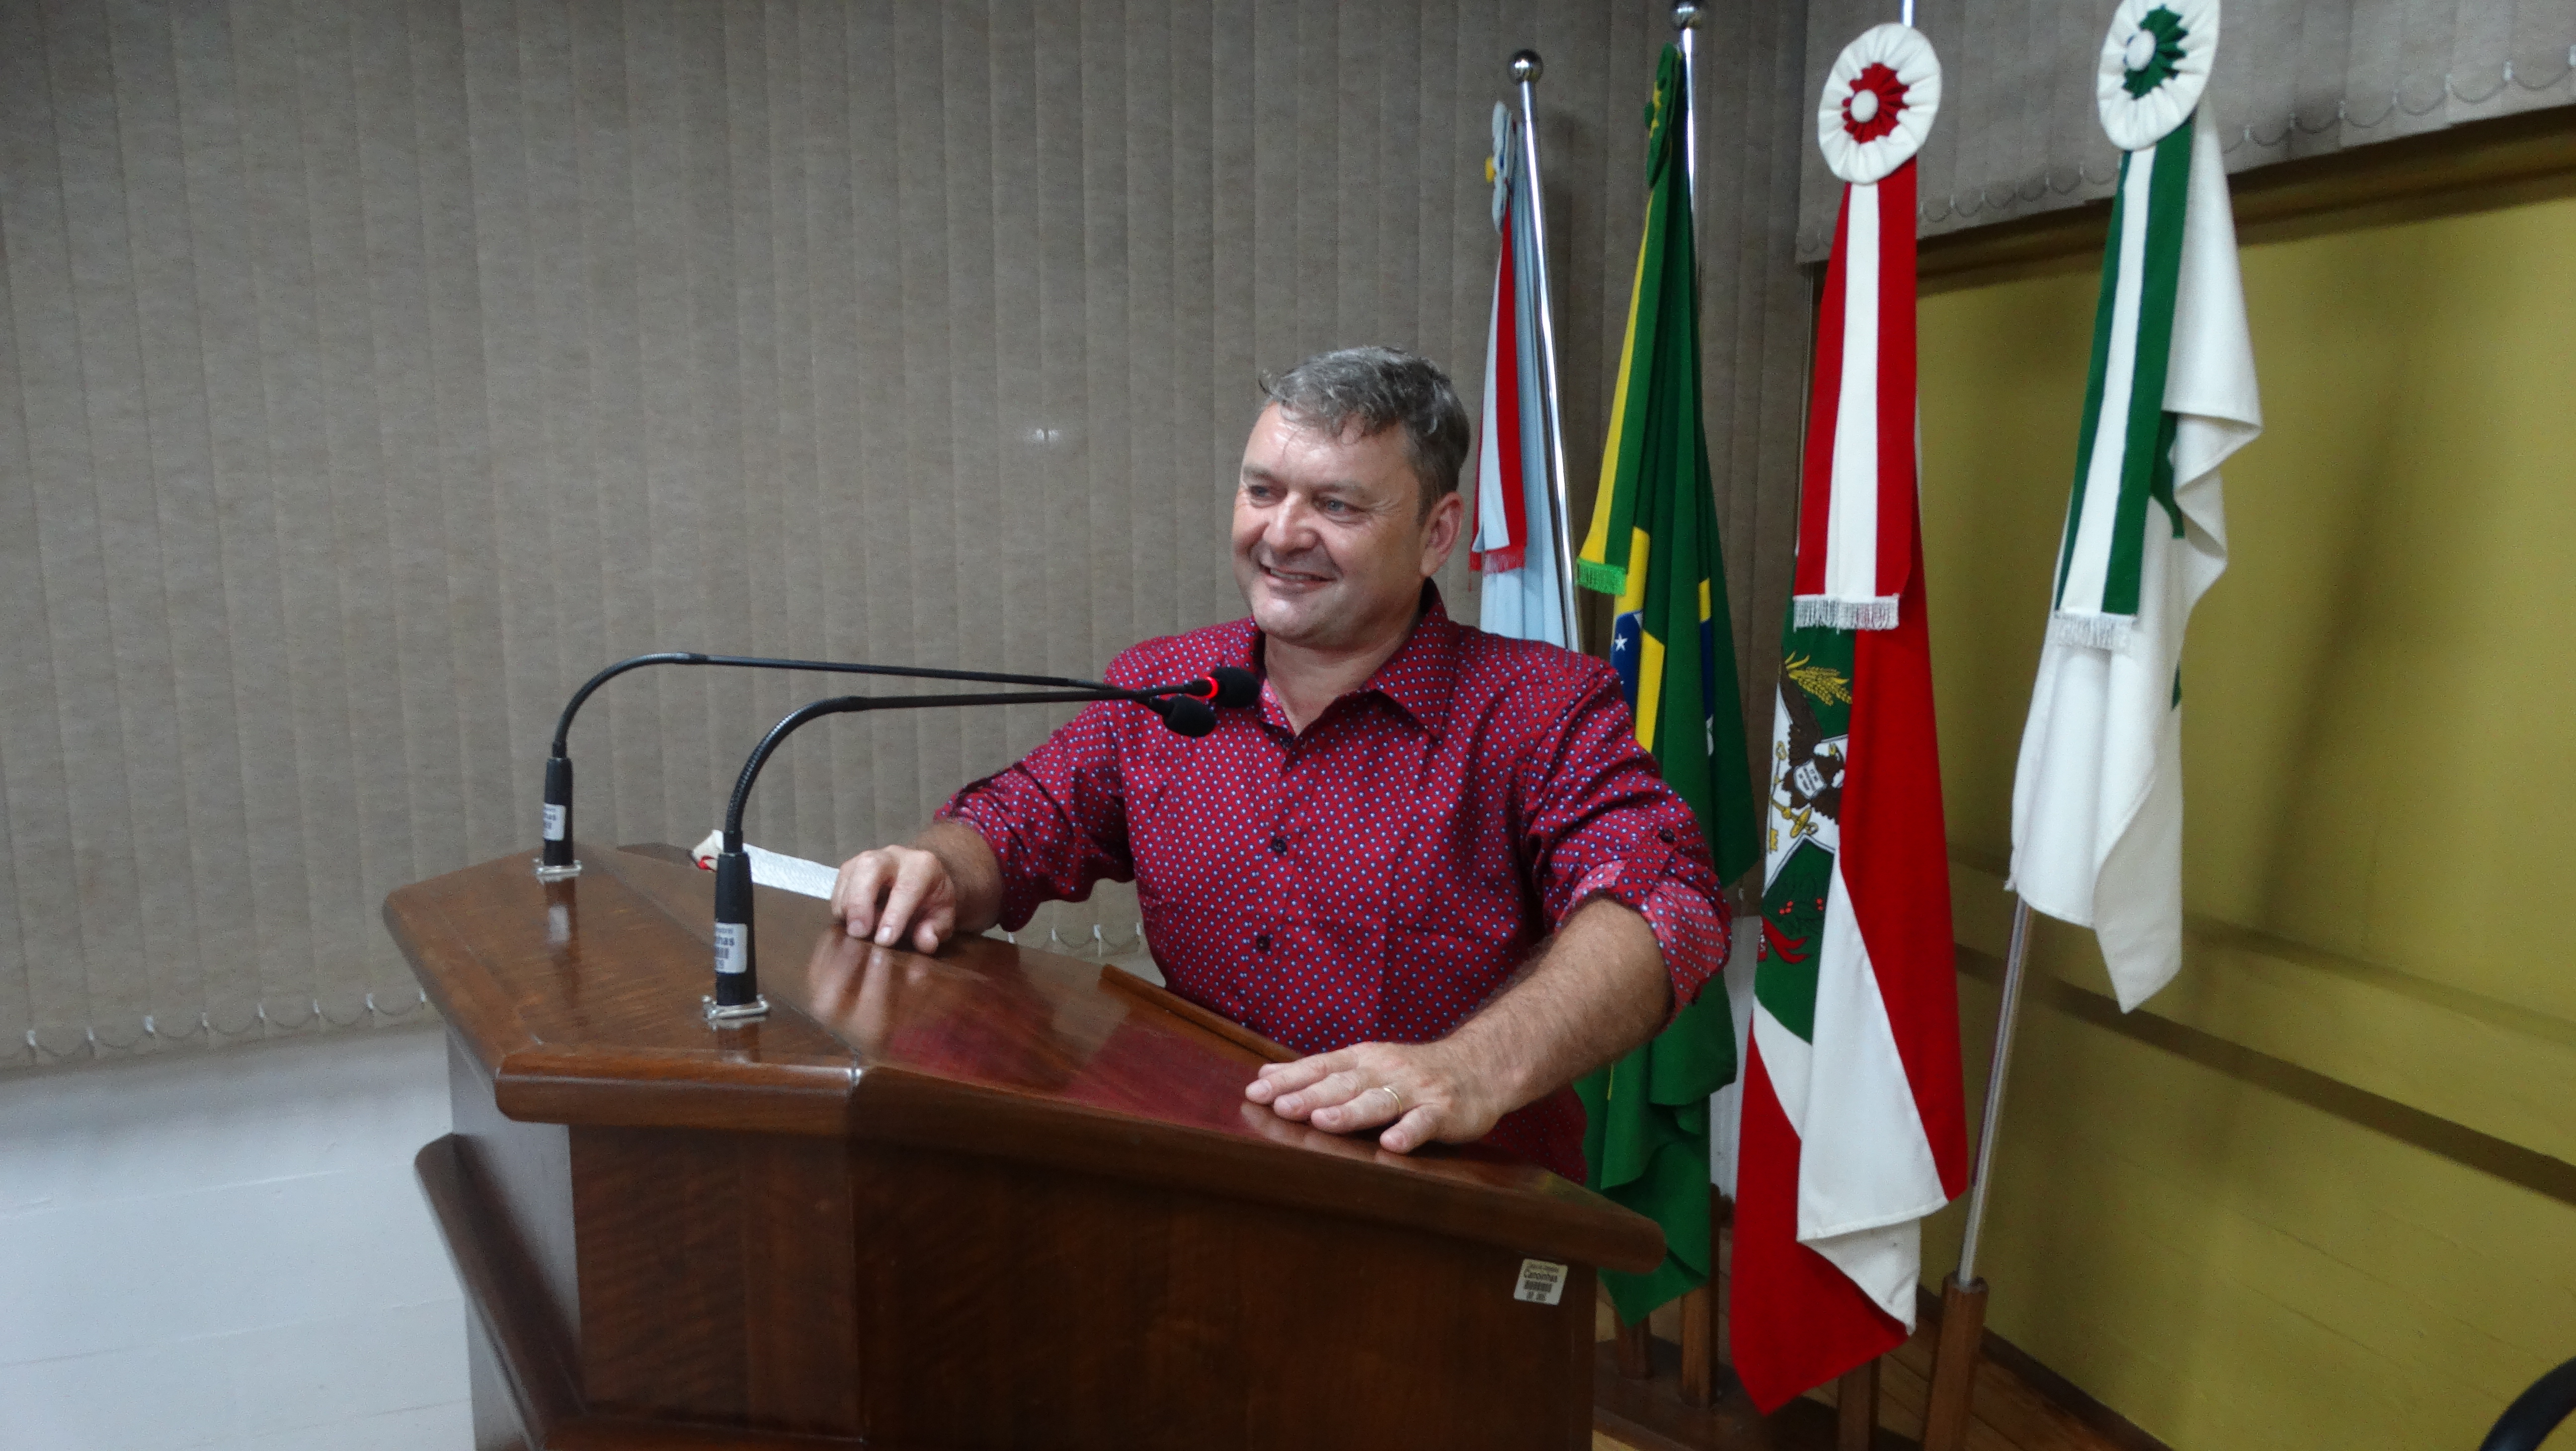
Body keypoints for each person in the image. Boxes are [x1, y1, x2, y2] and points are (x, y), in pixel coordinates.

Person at [829, 346, 1728, 1181]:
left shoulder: (1541, 708)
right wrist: (940, 868)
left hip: (1451, 1216)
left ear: (1437, 532)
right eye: (1262, 491)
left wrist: (1470, 1068)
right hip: (1211, 1190)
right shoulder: (1160, 688)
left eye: (1337, 505)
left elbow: (1668, 905)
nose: (1283, 533)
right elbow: (1018, 824)